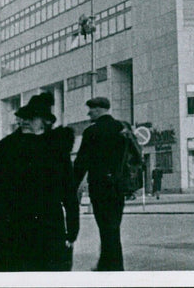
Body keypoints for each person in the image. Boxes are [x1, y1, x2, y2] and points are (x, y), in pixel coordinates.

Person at [0, 93, 79, 272]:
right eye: (22, 117)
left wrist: (72, 230)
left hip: (49, 227)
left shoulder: (57, 148)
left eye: (31, 117)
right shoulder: (8, 147)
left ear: (45, 121)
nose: (24, 121)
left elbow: (69, 192)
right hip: (14, 227)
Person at [73, 96, 130, 271]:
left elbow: (82, 161)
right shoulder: (122, 127)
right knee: (113, 227)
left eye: (91, 109)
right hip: (118, 186)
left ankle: (112, 268)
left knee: (106, 228)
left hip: (100, 186)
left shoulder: (92, 131)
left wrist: (72, 184)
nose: (89, 113)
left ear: (98, 110)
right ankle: (109, 264)